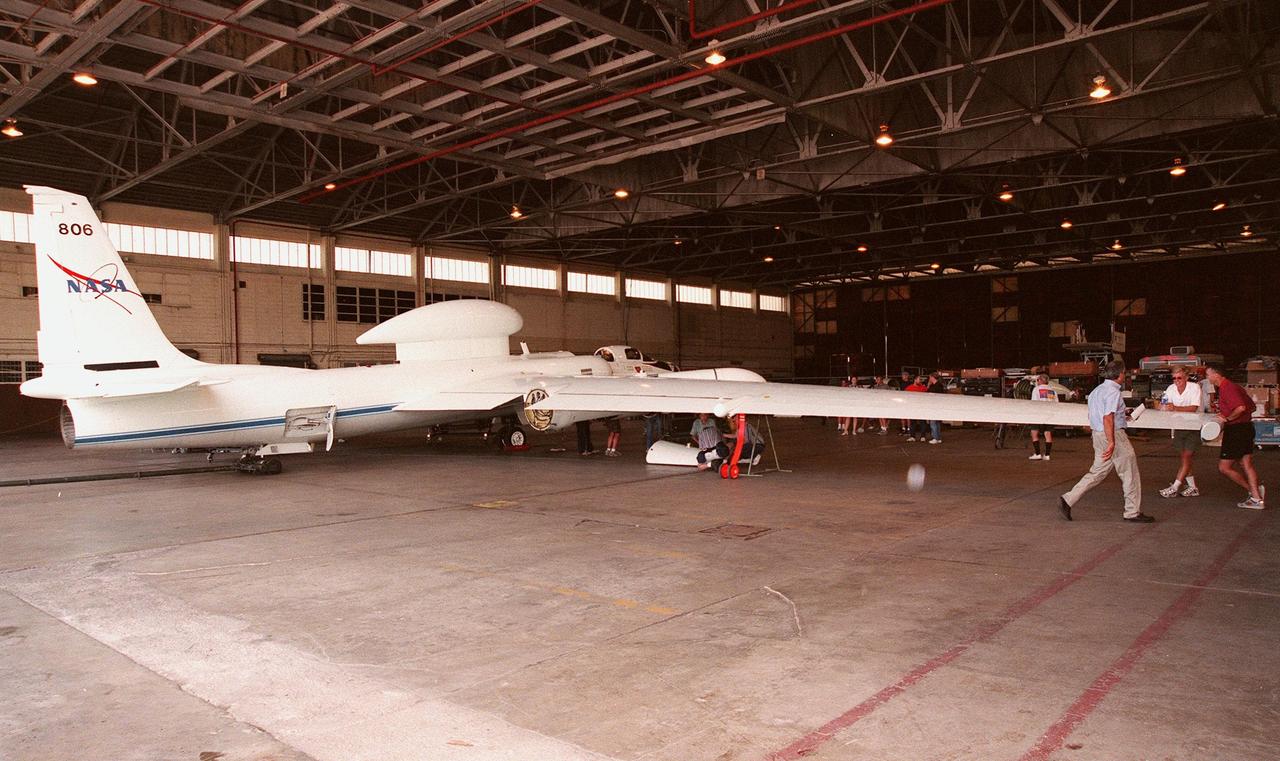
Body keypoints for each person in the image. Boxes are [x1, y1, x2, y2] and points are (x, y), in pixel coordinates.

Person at [1058, 360, 1152, 523]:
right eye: (1124, 372)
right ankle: (1132, 511)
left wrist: (1122, 415)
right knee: (1129, 472)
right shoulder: (1113, 392)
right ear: (1119, 374)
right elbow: (1107, 417)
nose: (1125, 375)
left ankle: (1068, 499)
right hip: (1113, 435)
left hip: (1098, 434)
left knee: (1097, 472)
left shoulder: (1096, 391)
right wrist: (1112, 441)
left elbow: (1099, 414)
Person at [1205, 363, 1265, 509]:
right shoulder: (1234, 387)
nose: (1207, 378)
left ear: (1216, 375)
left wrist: (1227, 418)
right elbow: (1252, 407)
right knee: (1246, 464)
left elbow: (1241, 407)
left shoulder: (1227, 388)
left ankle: (1254, 493)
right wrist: (1226, 413)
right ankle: (1256, 497)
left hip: (1236, 430)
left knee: (1224, 467)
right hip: (1246, 428)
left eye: (1208, 375)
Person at [1157, 368, 1203, 498]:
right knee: (1184, 457)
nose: (1176, 380)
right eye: (1174, 378)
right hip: (1178, 425)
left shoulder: (1194, 387)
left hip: (1193, 426)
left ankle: (1175, 487)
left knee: (1186, 456)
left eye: (1179, 378)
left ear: (1186, 377)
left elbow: (1193, 408)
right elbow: (1164, 404)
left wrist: (1174, 408)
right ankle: (1192, 487)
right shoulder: (1171, 388)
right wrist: (1164, 406)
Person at [1028, 373, 1058, 461]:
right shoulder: (1052, 390)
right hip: (1049, 415)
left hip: (1038, 414)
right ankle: (1047, 455)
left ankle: (1037, 454)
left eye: (1038, 380)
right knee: (1048, 434)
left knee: (1034, 433)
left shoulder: (1036, 389)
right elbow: (1056, 403)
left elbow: (1034, 403)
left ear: (1040, 380)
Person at [905, 374, 928, 441]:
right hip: (913, 408)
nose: (920, 380)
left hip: (921, 407)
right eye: (919, 379)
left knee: (922, 422)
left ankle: (923, 436)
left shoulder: (923, 388)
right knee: (912, 422)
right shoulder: (909, 388)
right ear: (915, 380)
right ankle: (912, 436)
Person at [925, 372, 946, 444]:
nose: (929, 379)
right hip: (936, 406)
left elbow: (929, 394)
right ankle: (938, 438)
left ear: (932, 377)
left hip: (935, 406)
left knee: (933, 423)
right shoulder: (937, 385)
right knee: (937, 423)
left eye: (930, 377)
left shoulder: (937, 386)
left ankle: (935, 438)